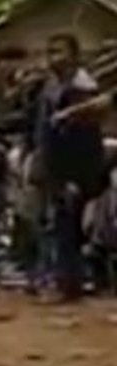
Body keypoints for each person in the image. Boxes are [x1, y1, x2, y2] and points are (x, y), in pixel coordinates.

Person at [33, 33, 105, 303]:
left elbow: (86, 139)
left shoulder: (81, 88)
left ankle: (69, 285)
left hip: (75, 168)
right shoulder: (52, 87)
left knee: (68, 226)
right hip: (55, 165)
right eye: (50, 52)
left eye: (59, 52)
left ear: (74, 55)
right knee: (57, 224)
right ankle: (61, 280)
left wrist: (77, 177)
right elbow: (40, 126)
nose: (53, 58)